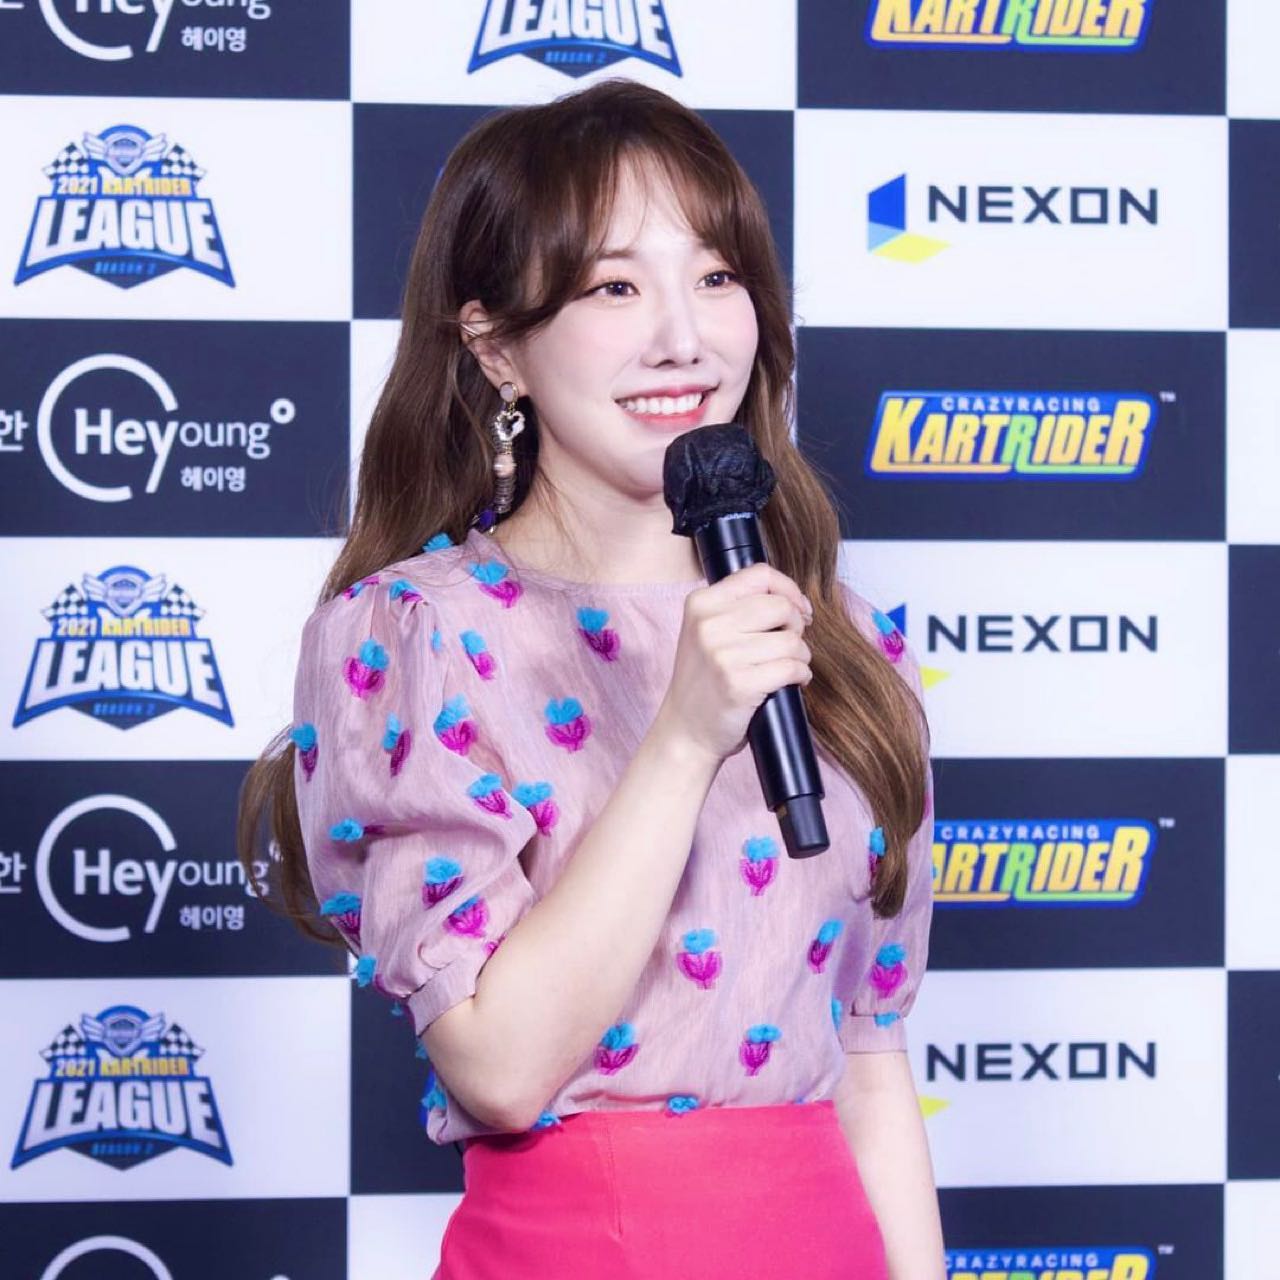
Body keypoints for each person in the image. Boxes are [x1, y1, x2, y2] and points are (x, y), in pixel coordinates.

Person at [238, 78, 943, 1279]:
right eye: (614, 287)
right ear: (493, 345)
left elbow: (870, 1060)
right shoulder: (417, 631)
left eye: (715, 276)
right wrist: (683, 735)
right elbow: (499, 1067)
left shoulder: (838, 636)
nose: (683, 337)